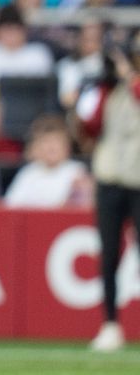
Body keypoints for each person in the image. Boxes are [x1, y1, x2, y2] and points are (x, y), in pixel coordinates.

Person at [74, 34, 140, 352]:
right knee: (109, 254)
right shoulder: (109, 91)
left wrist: (129, 76)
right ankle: (110, 323)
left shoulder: (132, 85)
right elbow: (89, 127)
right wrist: (91, 91)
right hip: (110, 177)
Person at [3, 116, 93, 208]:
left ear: (67, 146)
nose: (51, 148)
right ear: (36, 147)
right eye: (46, 142)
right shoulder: (28, 172)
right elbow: (11, 204)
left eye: (56, 142)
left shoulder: (77, 172)